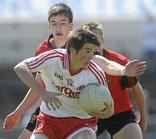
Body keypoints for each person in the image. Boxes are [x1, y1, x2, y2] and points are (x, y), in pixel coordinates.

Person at [11, 28, 146, 139]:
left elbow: (109, 107)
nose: (91, 57)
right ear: (73, 50)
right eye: (87, 51)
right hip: (49, 121)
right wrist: (43, 93)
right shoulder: (53, 58)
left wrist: (105, 112)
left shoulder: (96, 73)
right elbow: (20, 68)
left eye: (93, 52)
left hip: (81, 124)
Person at [3, 3, 74, 139]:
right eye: (53, 23)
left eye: (62, 23)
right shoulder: (43, 50)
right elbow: (38, 86)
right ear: (49, 26)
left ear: (71, 25)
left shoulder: (79, 46)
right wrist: (18, 113)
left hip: (78, 111)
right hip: (51, 109)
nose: (58, 28)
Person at [81, 21, 147, 139]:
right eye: (88, 38)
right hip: (89, 114)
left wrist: (143, 117)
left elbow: (136, 89)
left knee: (134, 135)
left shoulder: (120, 62)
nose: (93, 41)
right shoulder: (78, 63)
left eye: (95, 37)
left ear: (103, 39)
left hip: (119, 113)